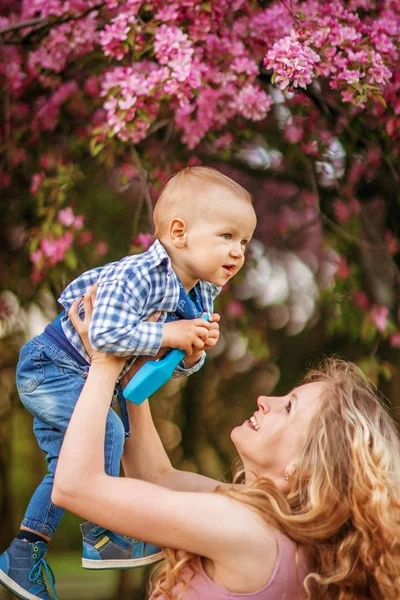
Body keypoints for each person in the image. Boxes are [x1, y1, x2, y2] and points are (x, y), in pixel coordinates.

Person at [0, 166, 257, 600]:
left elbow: (148, 363)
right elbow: (103, 336)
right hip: (52, 367)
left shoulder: (199, 292)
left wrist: (189, 356)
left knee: (66, 464)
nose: (238, 252)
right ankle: (102, 535)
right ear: (178, 233)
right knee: (109, 431)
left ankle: (23, 553)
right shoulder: (139, 275)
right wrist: (171, 334)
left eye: (245, 242)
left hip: (85, 376)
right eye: (227, 236)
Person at [52, 294, 400, 599]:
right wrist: (132, 365)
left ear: (307, 466)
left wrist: (104, 360)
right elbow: (155, 476)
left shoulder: (246, 530)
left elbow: (75, 486)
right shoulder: (270, 530)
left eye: (289, 407)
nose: (266, 400)